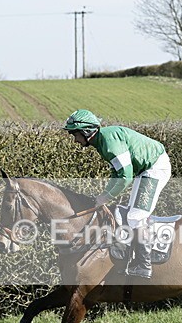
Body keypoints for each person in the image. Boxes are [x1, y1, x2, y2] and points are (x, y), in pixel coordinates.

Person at [63, 109, 171, 279]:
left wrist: (105, 197)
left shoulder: (108, 140)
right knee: (130, 213)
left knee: (136, 216)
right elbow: (117, 174)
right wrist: (104, 195)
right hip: (145, 170)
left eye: (75, 135)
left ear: (86, 132)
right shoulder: (102, 142)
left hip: (154, 168)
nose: (75, 140)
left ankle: (144, 265)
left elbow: (126, 176)